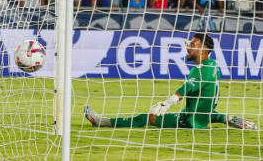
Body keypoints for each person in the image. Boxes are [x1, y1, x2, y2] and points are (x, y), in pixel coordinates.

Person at [85, 33, 258, 130]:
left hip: (190, 119)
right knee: (209, 112)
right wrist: (192, 46)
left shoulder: (199, 70)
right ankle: (226, 118)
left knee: (147, 117)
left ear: (203, 50)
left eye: (193, 44)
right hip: (206, 111)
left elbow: (186, 88)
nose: (188, 47)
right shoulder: (213, 65)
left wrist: (167, 103)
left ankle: (101, 121)